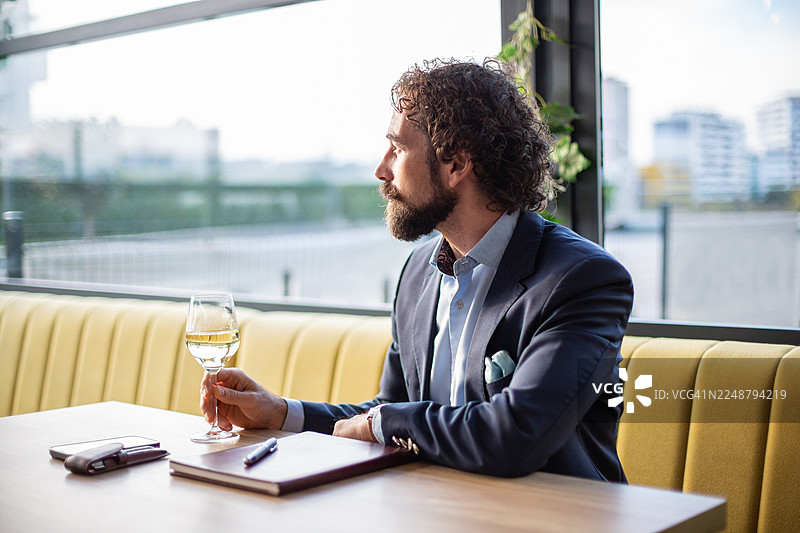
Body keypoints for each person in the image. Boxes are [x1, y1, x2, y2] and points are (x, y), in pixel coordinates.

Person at [200, 58, 634, 481]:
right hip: (436, 508)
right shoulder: (417, 275)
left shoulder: (581, 280)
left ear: (456, 165)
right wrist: (281, 412)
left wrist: (381, 424)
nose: (381, 169)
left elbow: (515, 434)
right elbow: (393, 410)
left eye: (399, 147)